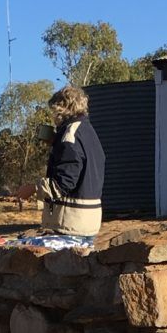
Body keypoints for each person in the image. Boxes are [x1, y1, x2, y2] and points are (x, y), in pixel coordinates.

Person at [38, 85, 104, 237]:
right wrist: (56, 142)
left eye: (54, 110)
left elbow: (64, 182)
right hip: (90, 219)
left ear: (62, 108)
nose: (53, 116)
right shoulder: (87, 130)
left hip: (70, 223)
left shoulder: (70, 135)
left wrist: (33, 189)